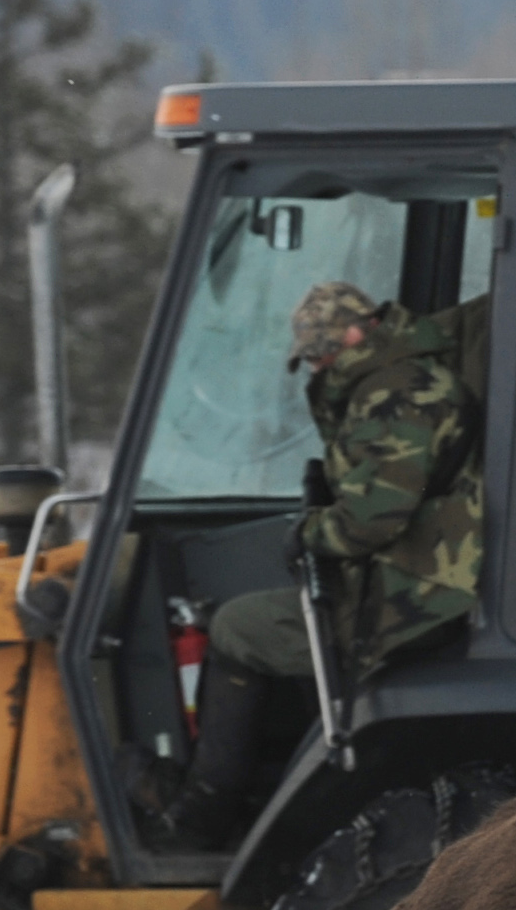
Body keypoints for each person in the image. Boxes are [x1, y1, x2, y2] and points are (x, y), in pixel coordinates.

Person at [144, 280, 482, 849]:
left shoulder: (396, 395)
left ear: (353, 336)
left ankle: (203, 814)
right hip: (422, 576)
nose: (318, 367)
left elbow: (373, 519)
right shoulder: (407, 379)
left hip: (415, 594)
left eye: (321, 354)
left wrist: (309, 533)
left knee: (235, 629)